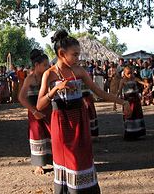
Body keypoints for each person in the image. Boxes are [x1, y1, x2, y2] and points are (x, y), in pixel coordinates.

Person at [36, 30, 130, 194]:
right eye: (75, 55)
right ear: (61, 53)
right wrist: (56, 89)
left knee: (82, 159)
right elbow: (39, 105)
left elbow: (99, 92)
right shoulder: (49, 74)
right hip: (60, 122)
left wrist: (122, 101)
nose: (78, 58)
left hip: (80, 120)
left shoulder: (79, 71)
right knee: (66, 159)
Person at [18, 49, 52, 175]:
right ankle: (39, 164)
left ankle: (54, 159)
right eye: (45, 65)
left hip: (48, 109)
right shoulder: (30, 78)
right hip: (34, 111)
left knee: (51, 133)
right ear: (37, 65)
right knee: (37, 135)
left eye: (48, 65)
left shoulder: (48, 76)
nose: (47, 67)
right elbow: (21, 97)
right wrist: (33, 111)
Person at [116, 66, 147, 140]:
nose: (130, 75)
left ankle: (137, 133)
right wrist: (115, 102)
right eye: (128, 73)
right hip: (128, 101)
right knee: (129, 116)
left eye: (131, 73)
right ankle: (129, 133)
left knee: (136, 116)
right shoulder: (123, 81)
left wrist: (146, 88)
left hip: (136, 101)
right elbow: (119, 91)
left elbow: (145, 84)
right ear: (124, 74)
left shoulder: (135, 79)